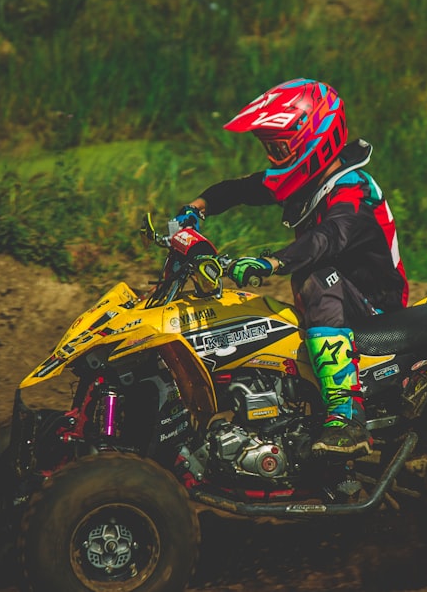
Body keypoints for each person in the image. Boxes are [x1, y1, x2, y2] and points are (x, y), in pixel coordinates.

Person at [173, 78, 408, 458]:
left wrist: (273, 261)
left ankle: (347, 417)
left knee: (315, 277)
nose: (273, 158)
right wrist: (195, 210)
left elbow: (330, 236)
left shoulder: (352, 188)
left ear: (316, 137)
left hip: (376, 310)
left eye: (279, 147)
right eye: (269, 148)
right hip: (344, 305)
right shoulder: (310, 179)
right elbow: (241, 189)